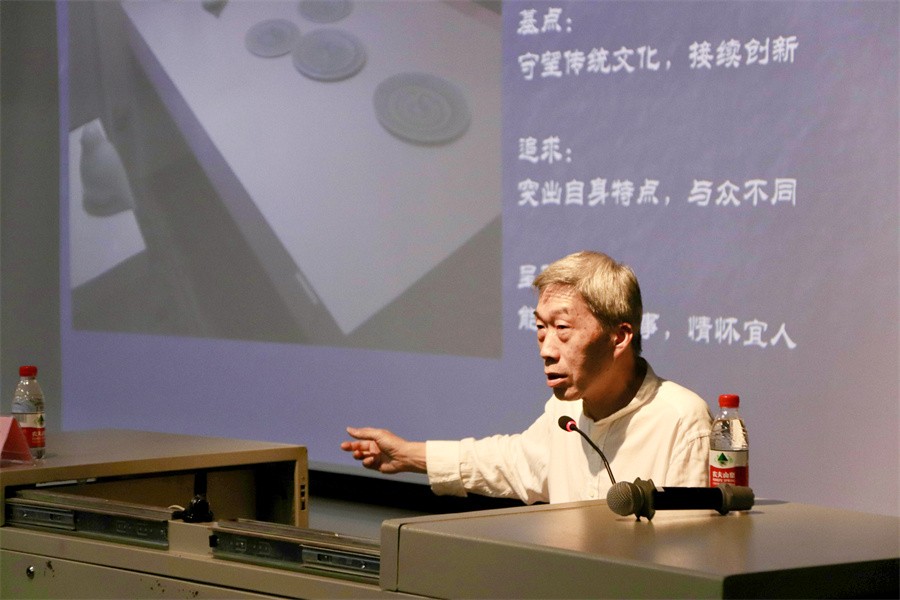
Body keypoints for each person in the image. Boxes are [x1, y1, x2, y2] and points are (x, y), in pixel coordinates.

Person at [341, 251, 712, 504]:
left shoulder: (681, 420)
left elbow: (687, 552)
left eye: (562, 328)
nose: (546, 349)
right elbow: (508, 461)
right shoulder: (563, 414)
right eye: (540, 328)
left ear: (619, 336)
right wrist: (409, 455)